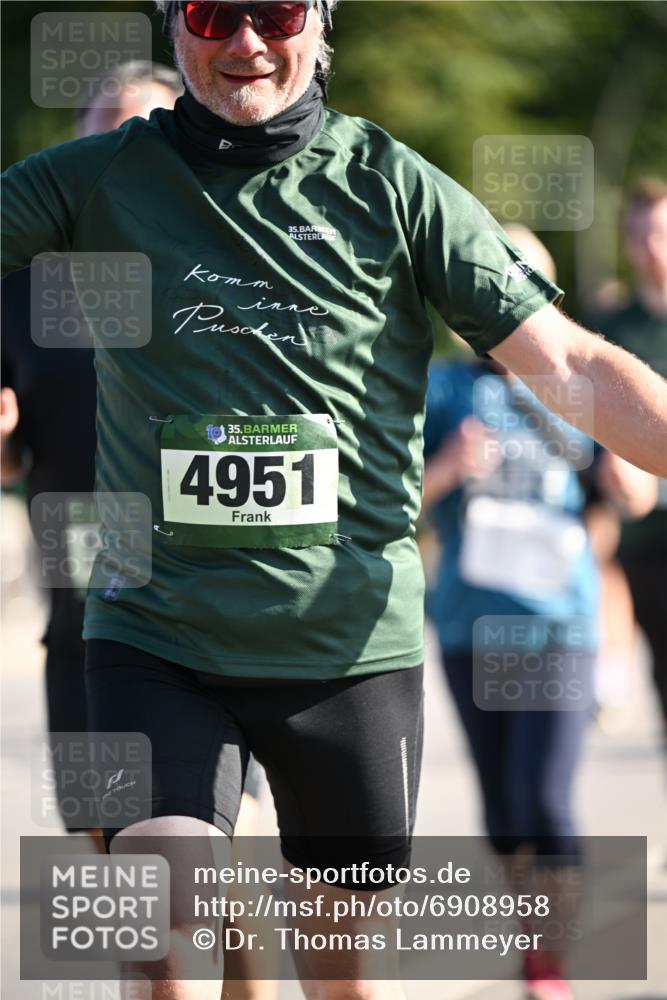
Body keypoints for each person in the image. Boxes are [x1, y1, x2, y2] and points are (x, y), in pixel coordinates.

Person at [2, 3, 667, 998]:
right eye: (212, 13)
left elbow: (568, 365)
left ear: (318, 23)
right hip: (156, 629)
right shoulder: (101, 175)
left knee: (337, 964)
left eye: (274, 12)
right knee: (164, 901)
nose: (245, 43)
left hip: (346, 649)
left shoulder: (394, 186)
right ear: (174, 26)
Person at [422, 227, 656, 1000]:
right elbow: (389, 503)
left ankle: (545, 959)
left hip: (559, 627)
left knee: (545, 801)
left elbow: (636, 494)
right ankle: (532, 932)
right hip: (468, 627)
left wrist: (623, 479)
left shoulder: (577, 387)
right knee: (501, 810)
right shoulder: (443, 388)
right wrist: (447, 467)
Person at [595, 179, 667, 737]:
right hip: (641, 536)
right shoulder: (612, 329)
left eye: (660, 233)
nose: (651, 247)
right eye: (639, 234)